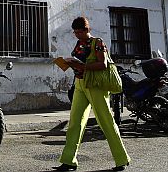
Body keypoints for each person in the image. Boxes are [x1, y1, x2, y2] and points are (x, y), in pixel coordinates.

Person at [56, 17, 130, 172]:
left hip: (95, 86)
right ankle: (69, 160)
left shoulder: (98, 42)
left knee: (106, 122)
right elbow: (78, 62)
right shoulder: (79, 43)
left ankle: (121, 159)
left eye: (80, 32)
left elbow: (102, 64)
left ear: (87, 29)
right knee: (75, 122)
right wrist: (70, 64)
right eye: (75, 32)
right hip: (80, 84)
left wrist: (82, 65)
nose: (77, 35)